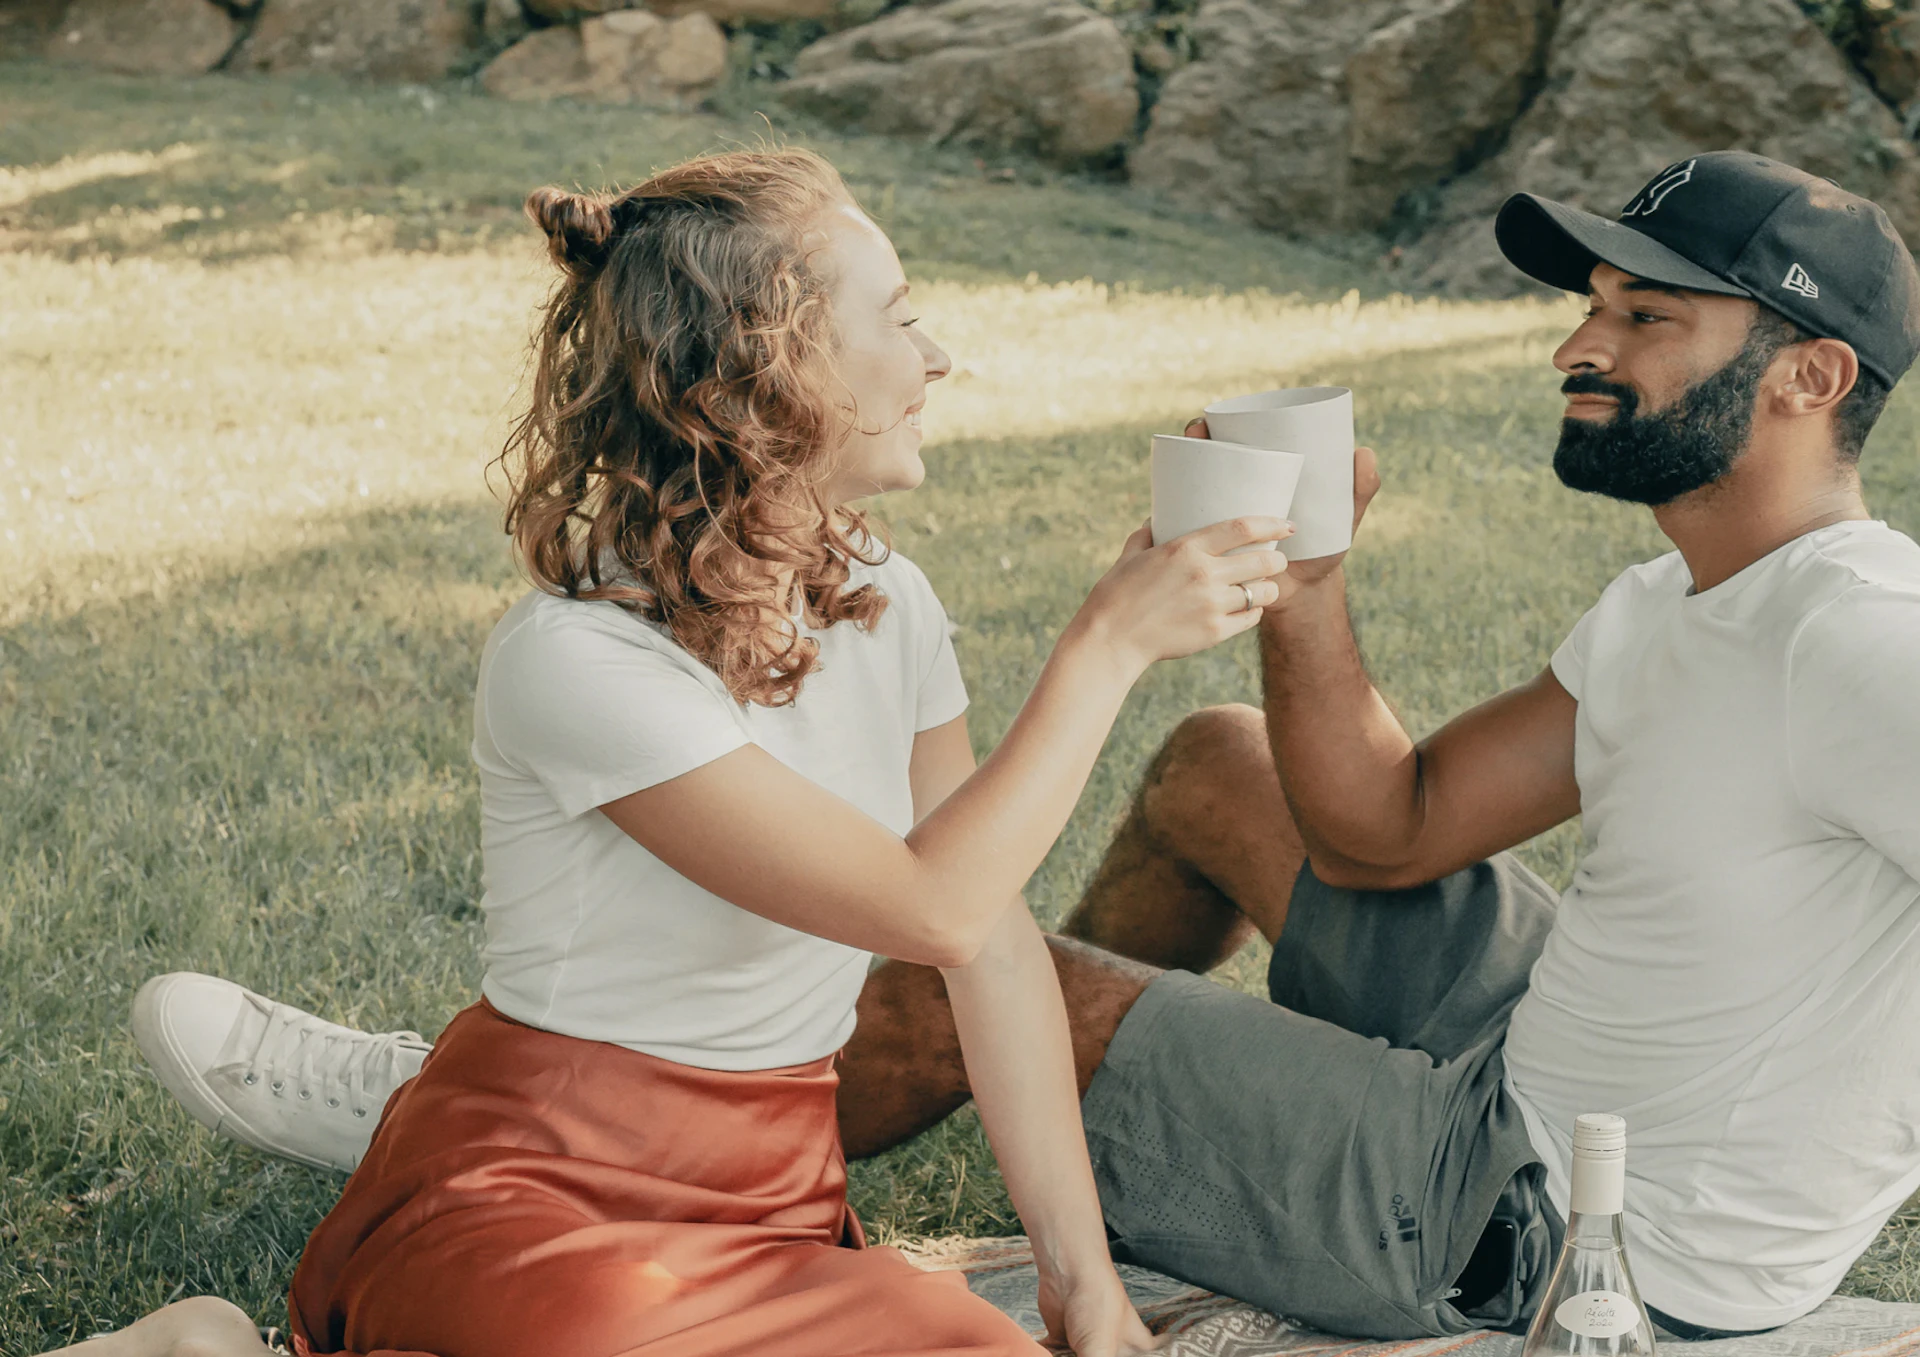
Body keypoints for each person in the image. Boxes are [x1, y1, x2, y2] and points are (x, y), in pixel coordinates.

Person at [136, 151, 1920, 1345]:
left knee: (955, 974)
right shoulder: (1684, 604)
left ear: (1810, 378)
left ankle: (465, 1117)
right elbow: (1384, 829)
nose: (1578, 345)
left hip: (1556, 1204)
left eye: (1643, 319)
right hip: (1551, 1043)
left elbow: (950, 920)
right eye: (1594, 303)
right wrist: (1303, 589)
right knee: (1218, 760)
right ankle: (505, 1131)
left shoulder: (1856, 644)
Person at [90, 147, 1314, 1357]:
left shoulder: (887, 601)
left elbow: (991, 944)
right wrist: (1106, 646)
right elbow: (933, 911)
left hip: (770, 1198)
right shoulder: (578, 660)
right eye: (897, 320)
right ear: (752, 386)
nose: (938, 356)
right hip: (546, 1197)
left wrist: (1083, 1286)